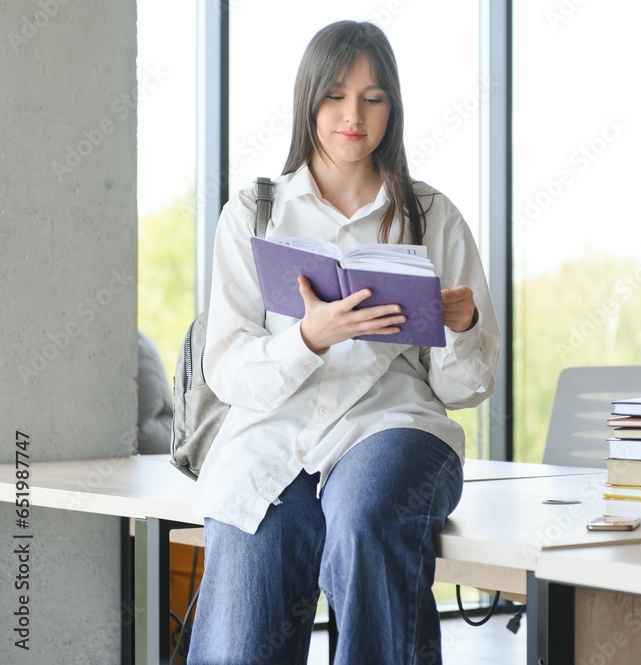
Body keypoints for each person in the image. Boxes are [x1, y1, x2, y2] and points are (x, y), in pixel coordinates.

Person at [188, 20, 501, 664]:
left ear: (394, 107)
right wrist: (309, 337)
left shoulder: (430, 215)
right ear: (308, 101)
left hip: (393, 428)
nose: (352, 115)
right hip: (274, 440)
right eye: (334, 95)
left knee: (366, 518)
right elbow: (226, 365)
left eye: (372, 97)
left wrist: (461, 328)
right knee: (253, 563)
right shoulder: (254, 213)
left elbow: (464, 389)